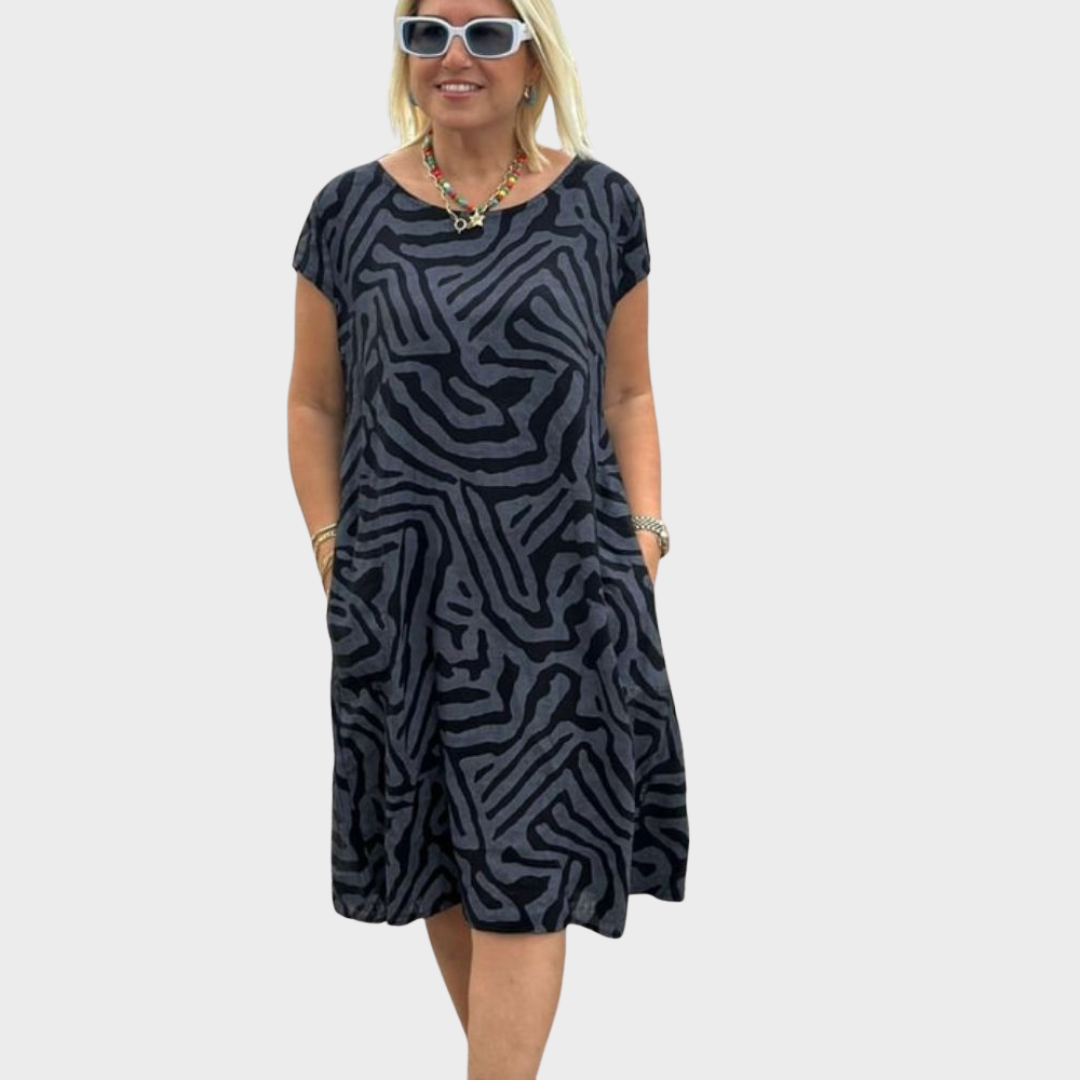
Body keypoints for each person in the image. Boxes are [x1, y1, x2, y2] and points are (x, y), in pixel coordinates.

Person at [288, 1, 689, 1075]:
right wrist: (332, 547)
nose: (454, 57)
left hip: (561, 596)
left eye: (486, 35)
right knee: (445, 859)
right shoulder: (347, 212)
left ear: (534, 61)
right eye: (427, 35)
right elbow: (314, 404)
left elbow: (629, 392)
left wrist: (646, 536)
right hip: (402, 593)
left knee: (531, 864)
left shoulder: (602, 206)